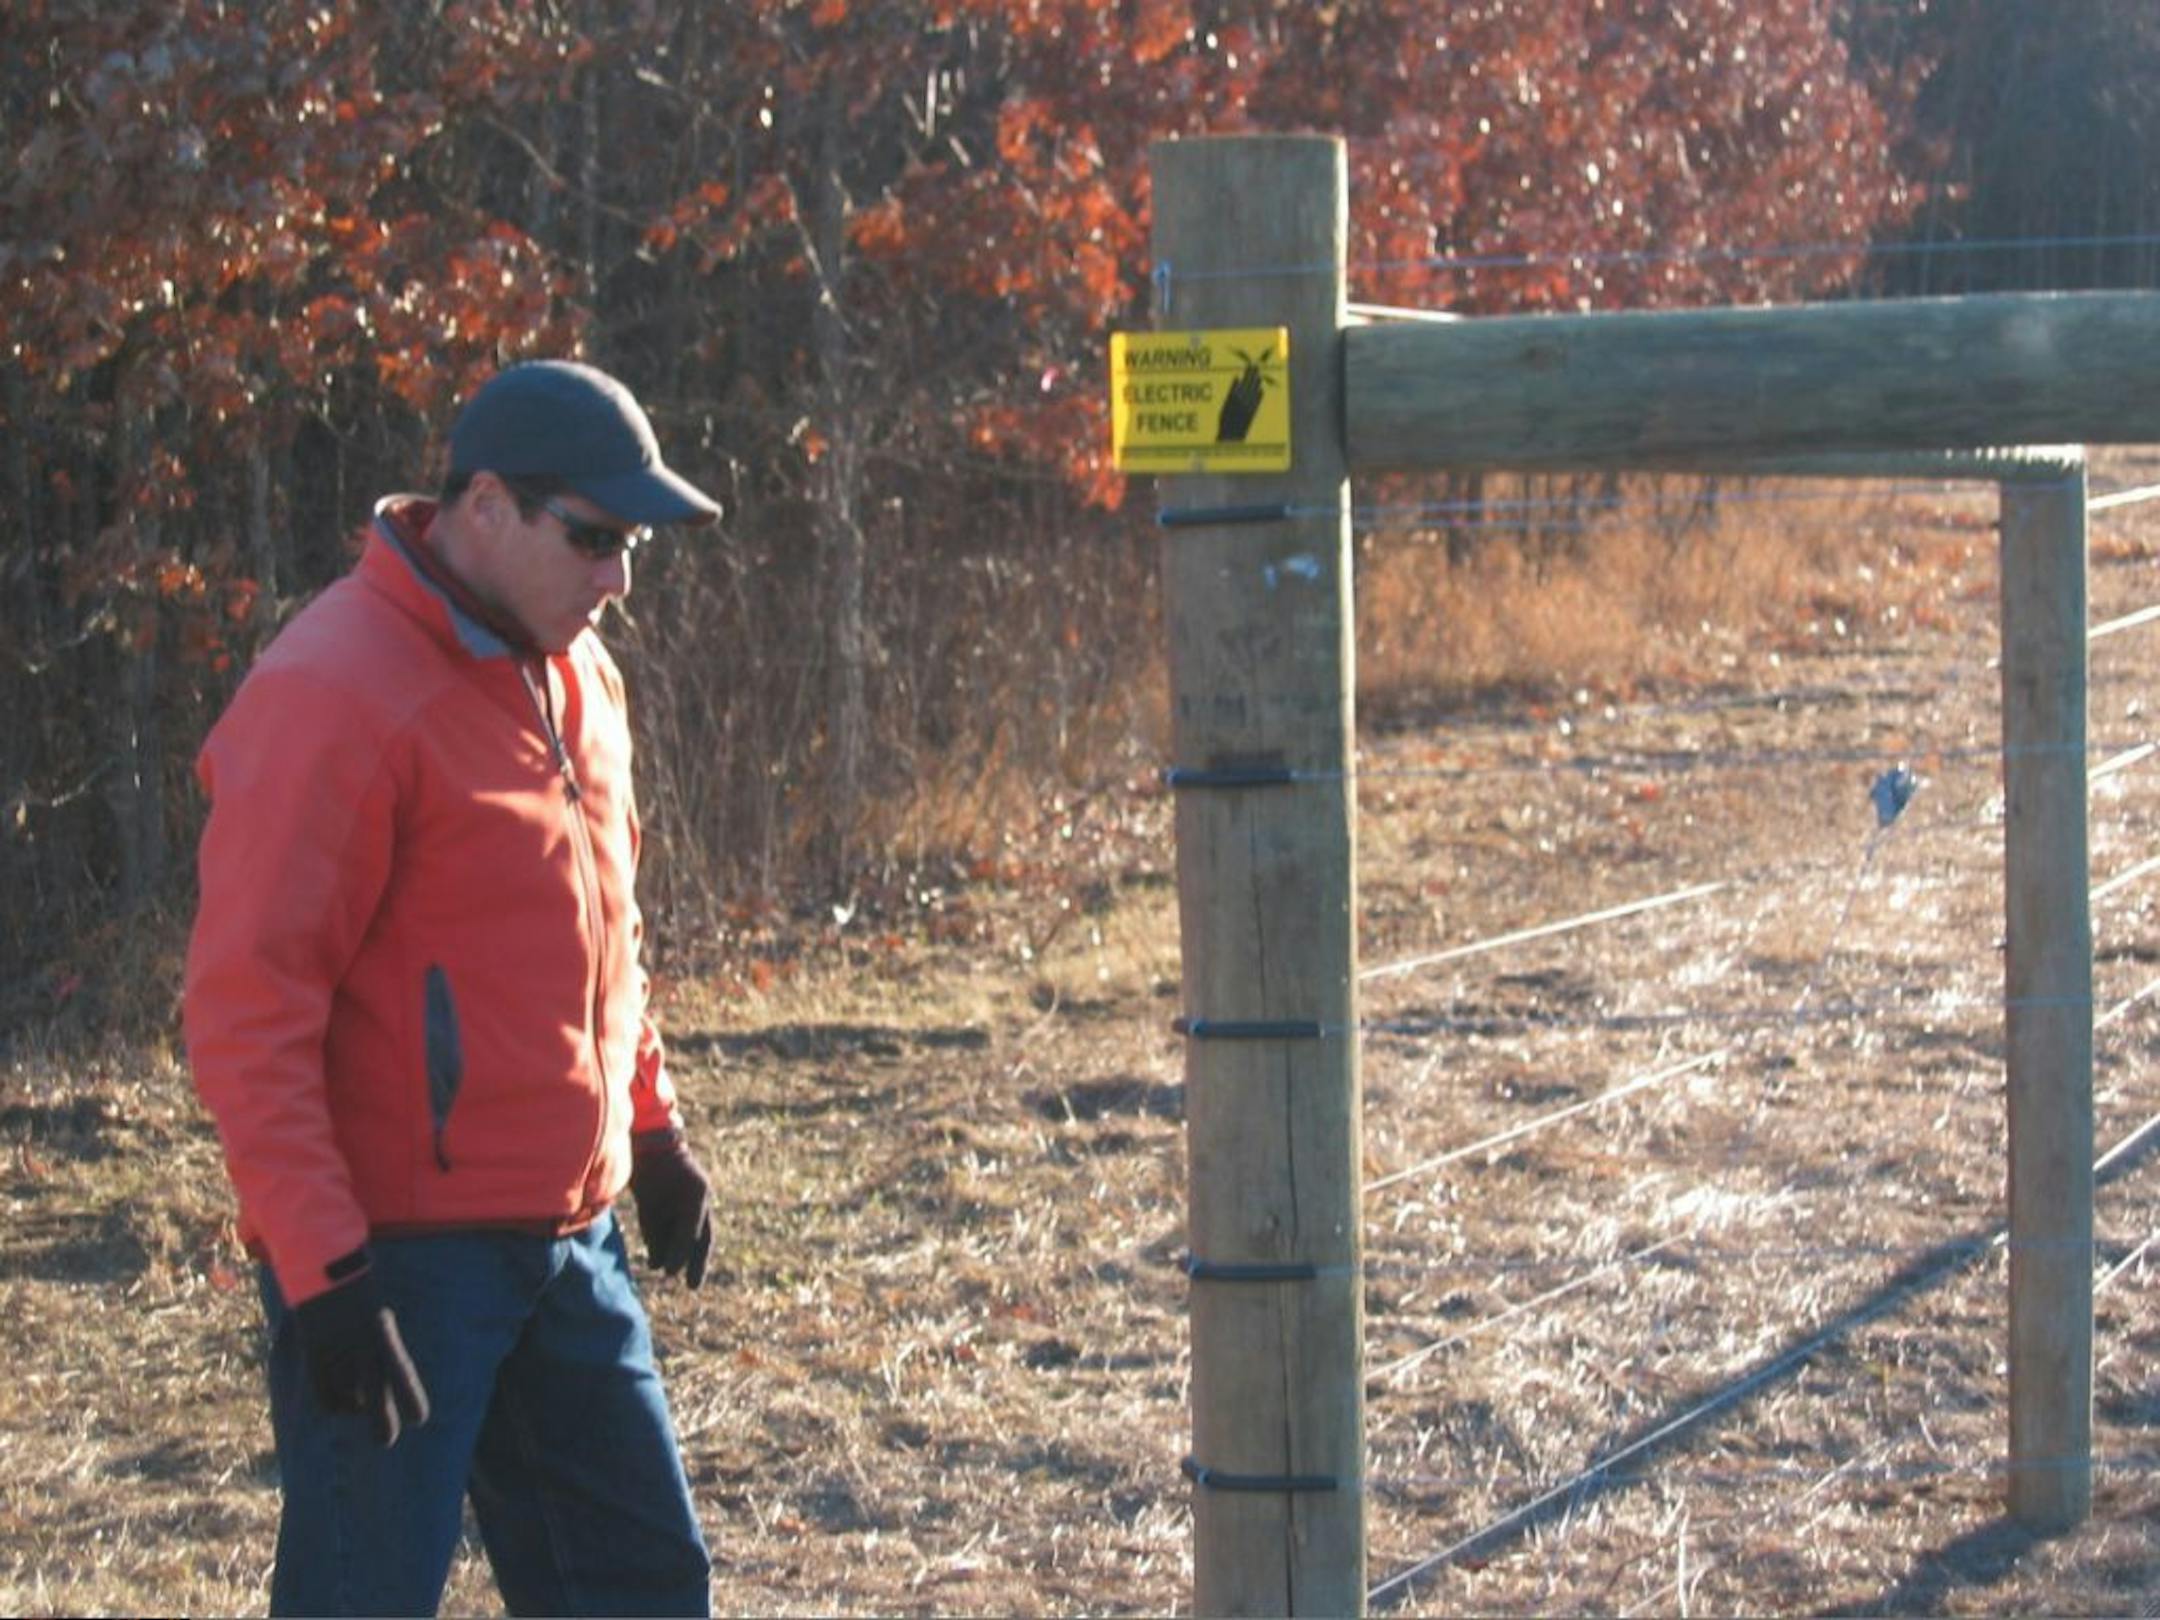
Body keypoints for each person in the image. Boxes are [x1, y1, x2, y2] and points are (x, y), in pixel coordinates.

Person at [184, 360, 723, 1617]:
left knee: (645, 1589)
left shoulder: (581, 675)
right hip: (399, 1272)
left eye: (631, 542)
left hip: (569, 1247)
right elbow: (246, 1012)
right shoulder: (332, 691)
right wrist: (326, 1280)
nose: (618, 579)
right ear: (485, 505)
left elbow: (603, 933)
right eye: (593, 538)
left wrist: (652, 1129)